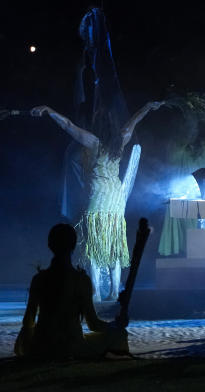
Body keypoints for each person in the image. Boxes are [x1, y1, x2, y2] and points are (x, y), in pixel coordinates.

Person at [31, 101, 166, 301]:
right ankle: (113, 291)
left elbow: (67, 125)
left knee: (94, 241)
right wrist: (146, 107)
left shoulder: (93, 142)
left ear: (97, 125)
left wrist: (49, 110)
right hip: (116, 197)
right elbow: (133, 122)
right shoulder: (120, 140)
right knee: (113, 242)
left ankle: (95, 291)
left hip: (99, 196)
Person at [16, 223, 128, 359]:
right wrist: (115, 325)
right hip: (72, 346)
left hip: (43, 345)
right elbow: (93, 324)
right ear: (73, 246)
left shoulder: (39, 279)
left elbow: (28, 321)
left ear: (50, 245)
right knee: (120, 333)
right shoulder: (82, 280)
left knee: (26, 332)